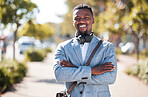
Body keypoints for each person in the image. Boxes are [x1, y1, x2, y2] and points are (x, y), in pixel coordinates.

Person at [53, 4, 117, 97]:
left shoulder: (107, 47)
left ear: (93, 20)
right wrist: (93, 70)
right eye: (77, 18)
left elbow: (110, 77)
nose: (81, 20)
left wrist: (74, 69)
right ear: (73, 21)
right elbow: (59, 75)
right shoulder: (63, 47)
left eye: (86, 17)